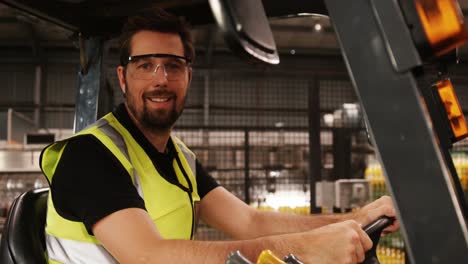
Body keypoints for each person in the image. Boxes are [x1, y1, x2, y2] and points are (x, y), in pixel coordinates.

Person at [40, 7, 399, 264]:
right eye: (145, 65)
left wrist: (356, 218)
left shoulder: (177, 158)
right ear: (122, 78)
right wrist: (305, 248)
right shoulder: (89, 155)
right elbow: (149, 256)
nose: (160, 79)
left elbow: (249, 222)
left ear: (188, 77)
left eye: (173, 66)